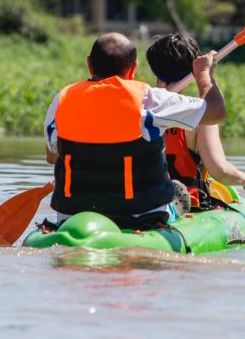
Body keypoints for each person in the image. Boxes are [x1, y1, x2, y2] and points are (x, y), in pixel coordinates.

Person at [43, 32, 226, 230]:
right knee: (175, 190)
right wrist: (204, 74)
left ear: (89, 64)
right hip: (139, 214)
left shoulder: (62, 99)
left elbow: (53, 156)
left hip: (71, 213)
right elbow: (216, 111)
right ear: (133, 69)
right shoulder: (149, 100)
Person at [145, 33, 245, 211]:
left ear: (154, 68)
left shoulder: (138, 107)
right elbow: (221, 171)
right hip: (187, 206)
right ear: (192, 70)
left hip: (145, 201)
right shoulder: (199, 114)